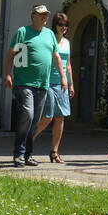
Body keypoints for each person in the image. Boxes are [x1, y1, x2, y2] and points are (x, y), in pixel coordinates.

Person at [4, 4, 67, 168]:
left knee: (35, 121)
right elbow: (11, 55)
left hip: (42, 84)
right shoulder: (23, 32)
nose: (44, 17)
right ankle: (18, 154)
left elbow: (56, 58)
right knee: (28, 114)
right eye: (41, 15)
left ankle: (28, 155)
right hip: (23, 82)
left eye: (46, 15)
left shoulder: (50, 35)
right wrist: (8, 74)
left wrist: (63, 77)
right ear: (33, 16)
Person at [33, 12, 74, 163]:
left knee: (60, 117)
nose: (63, 28)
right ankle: (28, 140)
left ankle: (54, 151)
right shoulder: (49, 40)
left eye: (66, 25)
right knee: (48, 116)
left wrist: (71, 83)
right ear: (55, 25)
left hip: (62, 83)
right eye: (60, 25)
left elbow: (68, 64)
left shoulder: (67, 42)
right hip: (48, 82)